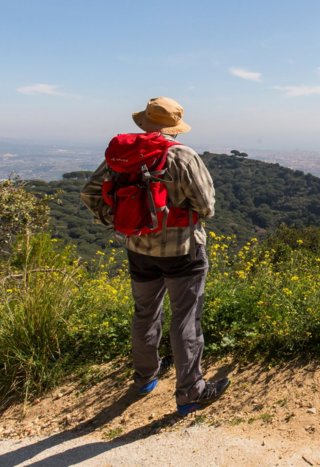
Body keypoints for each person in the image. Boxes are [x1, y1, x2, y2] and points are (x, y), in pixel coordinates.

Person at [80, 97, 230, 415]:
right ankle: (191, 392)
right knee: (185, 318)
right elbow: (207, 206)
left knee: (145, 314)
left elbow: (90, 192)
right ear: (174, 126)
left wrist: (116, 221)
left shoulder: (124, 154)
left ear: (146, 122)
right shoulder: (183, 155)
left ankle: (145, 377)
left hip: (138, 249)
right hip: (183, 250)